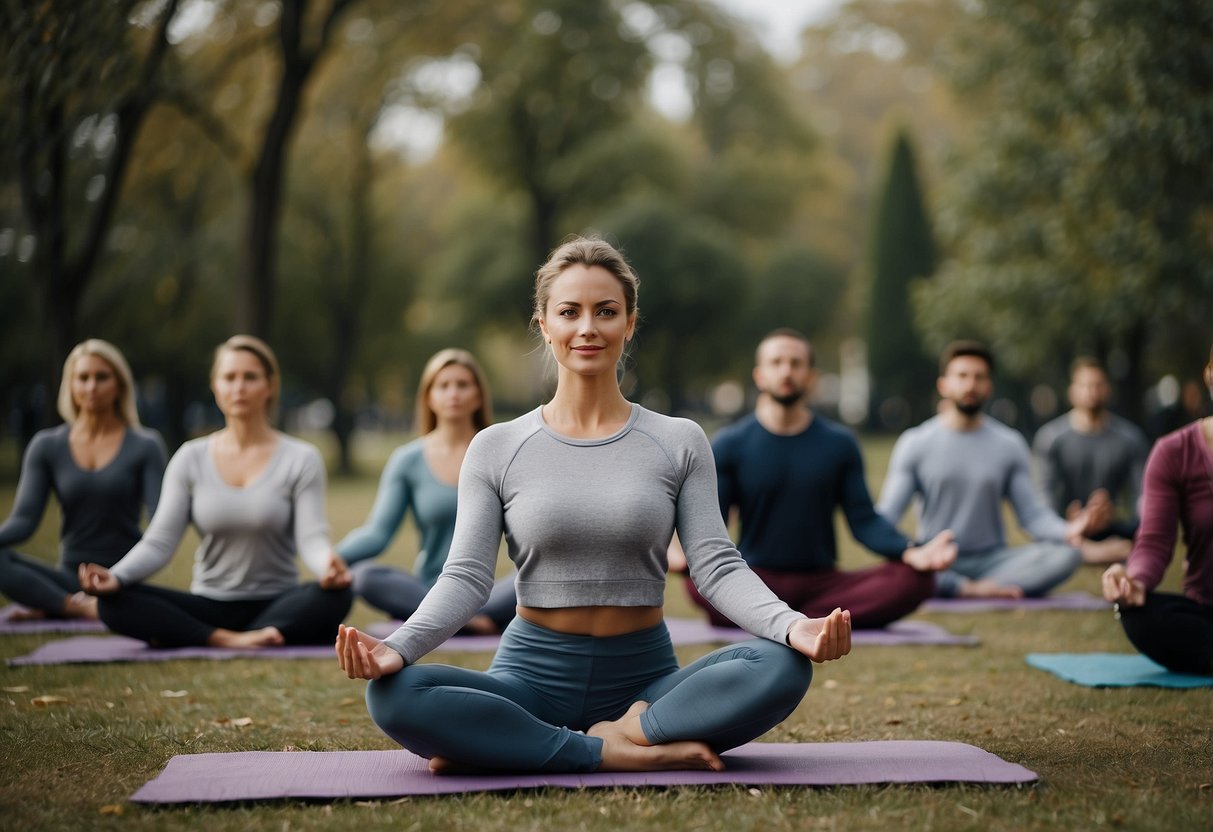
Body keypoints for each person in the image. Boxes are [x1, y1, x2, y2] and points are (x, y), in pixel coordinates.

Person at [336, 237, 851, 774]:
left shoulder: (679, 439)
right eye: (569, 312)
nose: (588, 327)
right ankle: (606, 752)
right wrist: (398, 647)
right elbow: (466, 577)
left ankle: (588, 737)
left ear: (629, 323)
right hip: (530, 678)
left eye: (606, 312)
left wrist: (793, 626)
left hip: (647, 689)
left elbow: (717, 565)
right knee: (394, 693)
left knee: (782, 665)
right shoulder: (496, 446)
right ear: (543, 324)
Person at [79, 335, 353, 648]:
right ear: (215, 386)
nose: (239, 387)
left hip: (279, 601)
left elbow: (311, 537)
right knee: (112, 602)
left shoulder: (301, 458)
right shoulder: (190, 457)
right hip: (209, 604)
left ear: (269, 386)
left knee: (339, 595)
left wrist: (326, 566)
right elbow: (160, 541)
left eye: (250, 377)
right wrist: (116, 576)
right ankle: (228, 638)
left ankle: (221, 633)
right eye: (229, 377)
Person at [674, 329, 956, 630]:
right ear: (760, 375)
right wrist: (683, 555)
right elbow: (712, 520)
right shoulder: (731, 443)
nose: (786, 371)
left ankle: (781, 618)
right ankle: (806, 618)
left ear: (810, 376)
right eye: (777, 362)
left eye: (796, 363)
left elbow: (864, 522)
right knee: (697, 579)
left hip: (823, 584)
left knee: (916, 581)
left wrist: (912, 550)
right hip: (753, 579)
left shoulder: (839, 443)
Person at [877, 340, 1100, 599]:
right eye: (962, 376)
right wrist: (913, 553)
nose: (970, 385)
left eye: (978, 377)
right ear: (944, 385)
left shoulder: (1009, 444)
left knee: (1067, 554)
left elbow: (1032, 515)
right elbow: (886, 518)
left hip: (994, 561)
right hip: (937, 560)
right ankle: (963, 587)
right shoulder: (915, 443)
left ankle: (971, 587)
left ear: (989, 387)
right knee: (901, 565)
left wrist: (1068, 530)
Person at [337, 349, 515, 634]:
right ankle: (466, 622)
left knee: (543, 573)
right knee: (365, 576)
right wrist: (332, 559)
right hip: (429, 591)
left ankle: (459, 620)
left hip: (490, 595)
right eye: (443, 385)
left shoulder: (502, 454)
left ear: (479, 395)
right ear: (429, 397)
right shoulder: (407, 460)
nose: (453, 393)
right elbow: (377, 533)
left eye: (463, 384)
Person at [0, 340, 166, 620]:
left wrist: (127, 574)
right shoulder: (46, 446)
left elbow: (159, 525)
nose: (91, 387)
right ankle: (75, 606)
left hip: (122, 579)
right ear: (71, 385)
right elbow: (23, 522)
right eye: (83, 378)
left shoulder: (146, 445)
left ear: (119, 385)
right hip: (68, 578)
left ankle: (58, 606)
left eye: (102, 377)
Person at [1102, 343, 1213, 675]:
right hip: (1205, 610)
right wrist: (1133, 581)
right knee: (1138, 614)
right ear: (1210, 376)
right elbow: (1153, 541)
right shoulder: (1174, 451)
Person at [1032, 358, 1149, 564]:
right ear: (1072, 391)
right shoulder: (1050, 439)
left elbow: (1143, 496)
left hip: (1114, 526)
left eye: (1097, 385)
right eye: (1085, 385)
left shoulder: (1130, 439)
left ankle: (1092, 551)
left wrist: (1114, 514)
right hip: (1066, 527)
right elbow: (1044, 498)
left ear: (1107, 389)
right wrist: (1073, 521)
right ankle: (1092, 551)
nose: (1091, 391)